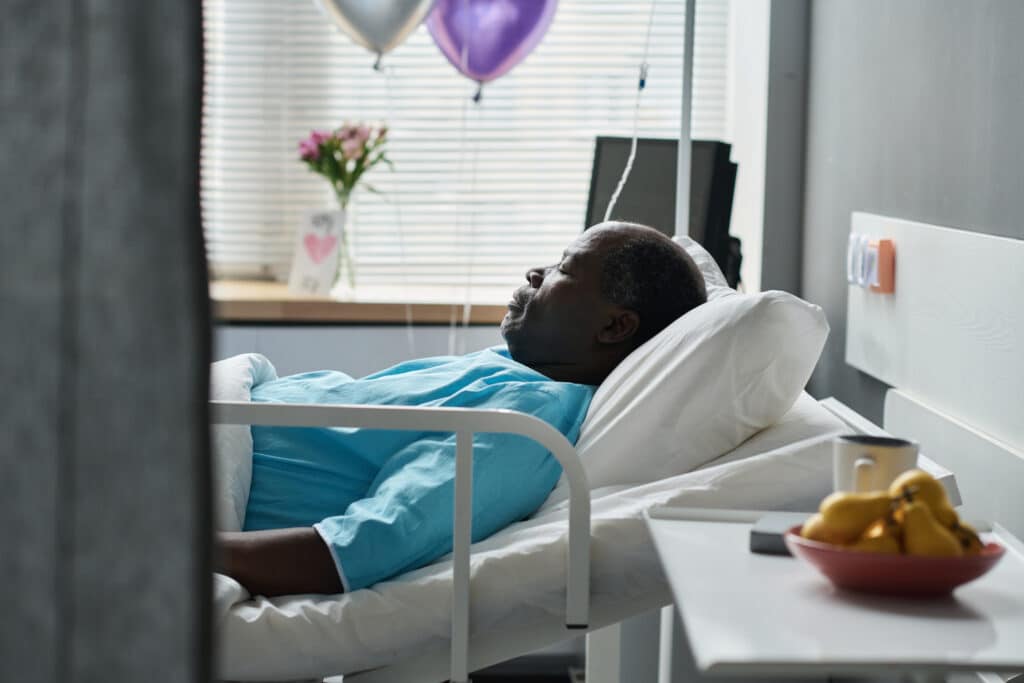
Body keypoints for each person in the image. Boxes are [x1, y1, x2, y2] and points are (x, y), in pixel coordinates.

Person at [216, 222, 707, 596]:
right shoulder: (513, 367)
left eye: (563, 269)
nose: (535, 273)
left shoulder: (523, 422)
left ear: (615, 327)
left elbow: (364, 545)